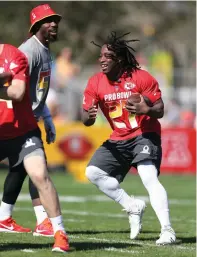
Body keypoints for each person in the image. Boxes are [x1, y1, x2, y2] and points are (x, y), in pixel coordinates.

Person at [82, 32, 176, 245]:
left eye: (107, 56)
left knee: (148, 176)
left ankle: (167, 230)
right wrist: (87, 117)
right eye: (100, 56)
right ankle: (132, 205)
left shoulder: (141, 77)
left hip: (144, 134)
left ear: (120, 59)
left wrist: (146, 108)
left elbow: (160, 109)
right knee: (93, 172)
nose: (102, 60)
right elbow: (85, 118)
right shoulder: (95, 82)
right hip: (118, 137)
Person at [0, 4, 62, 238]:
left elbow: (38, 90)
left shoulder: (45, 50)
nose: (54, 24)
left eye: (55, 20)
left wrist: (46, 117)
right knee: (38, 167)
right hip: (15, 119)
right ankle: (43, 222)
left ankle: (4, 217)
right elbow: (13, 86)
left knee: (20, 168)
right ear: (36, 26)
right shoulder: (28, 51)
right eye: (48, 20)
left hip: (30, 116)